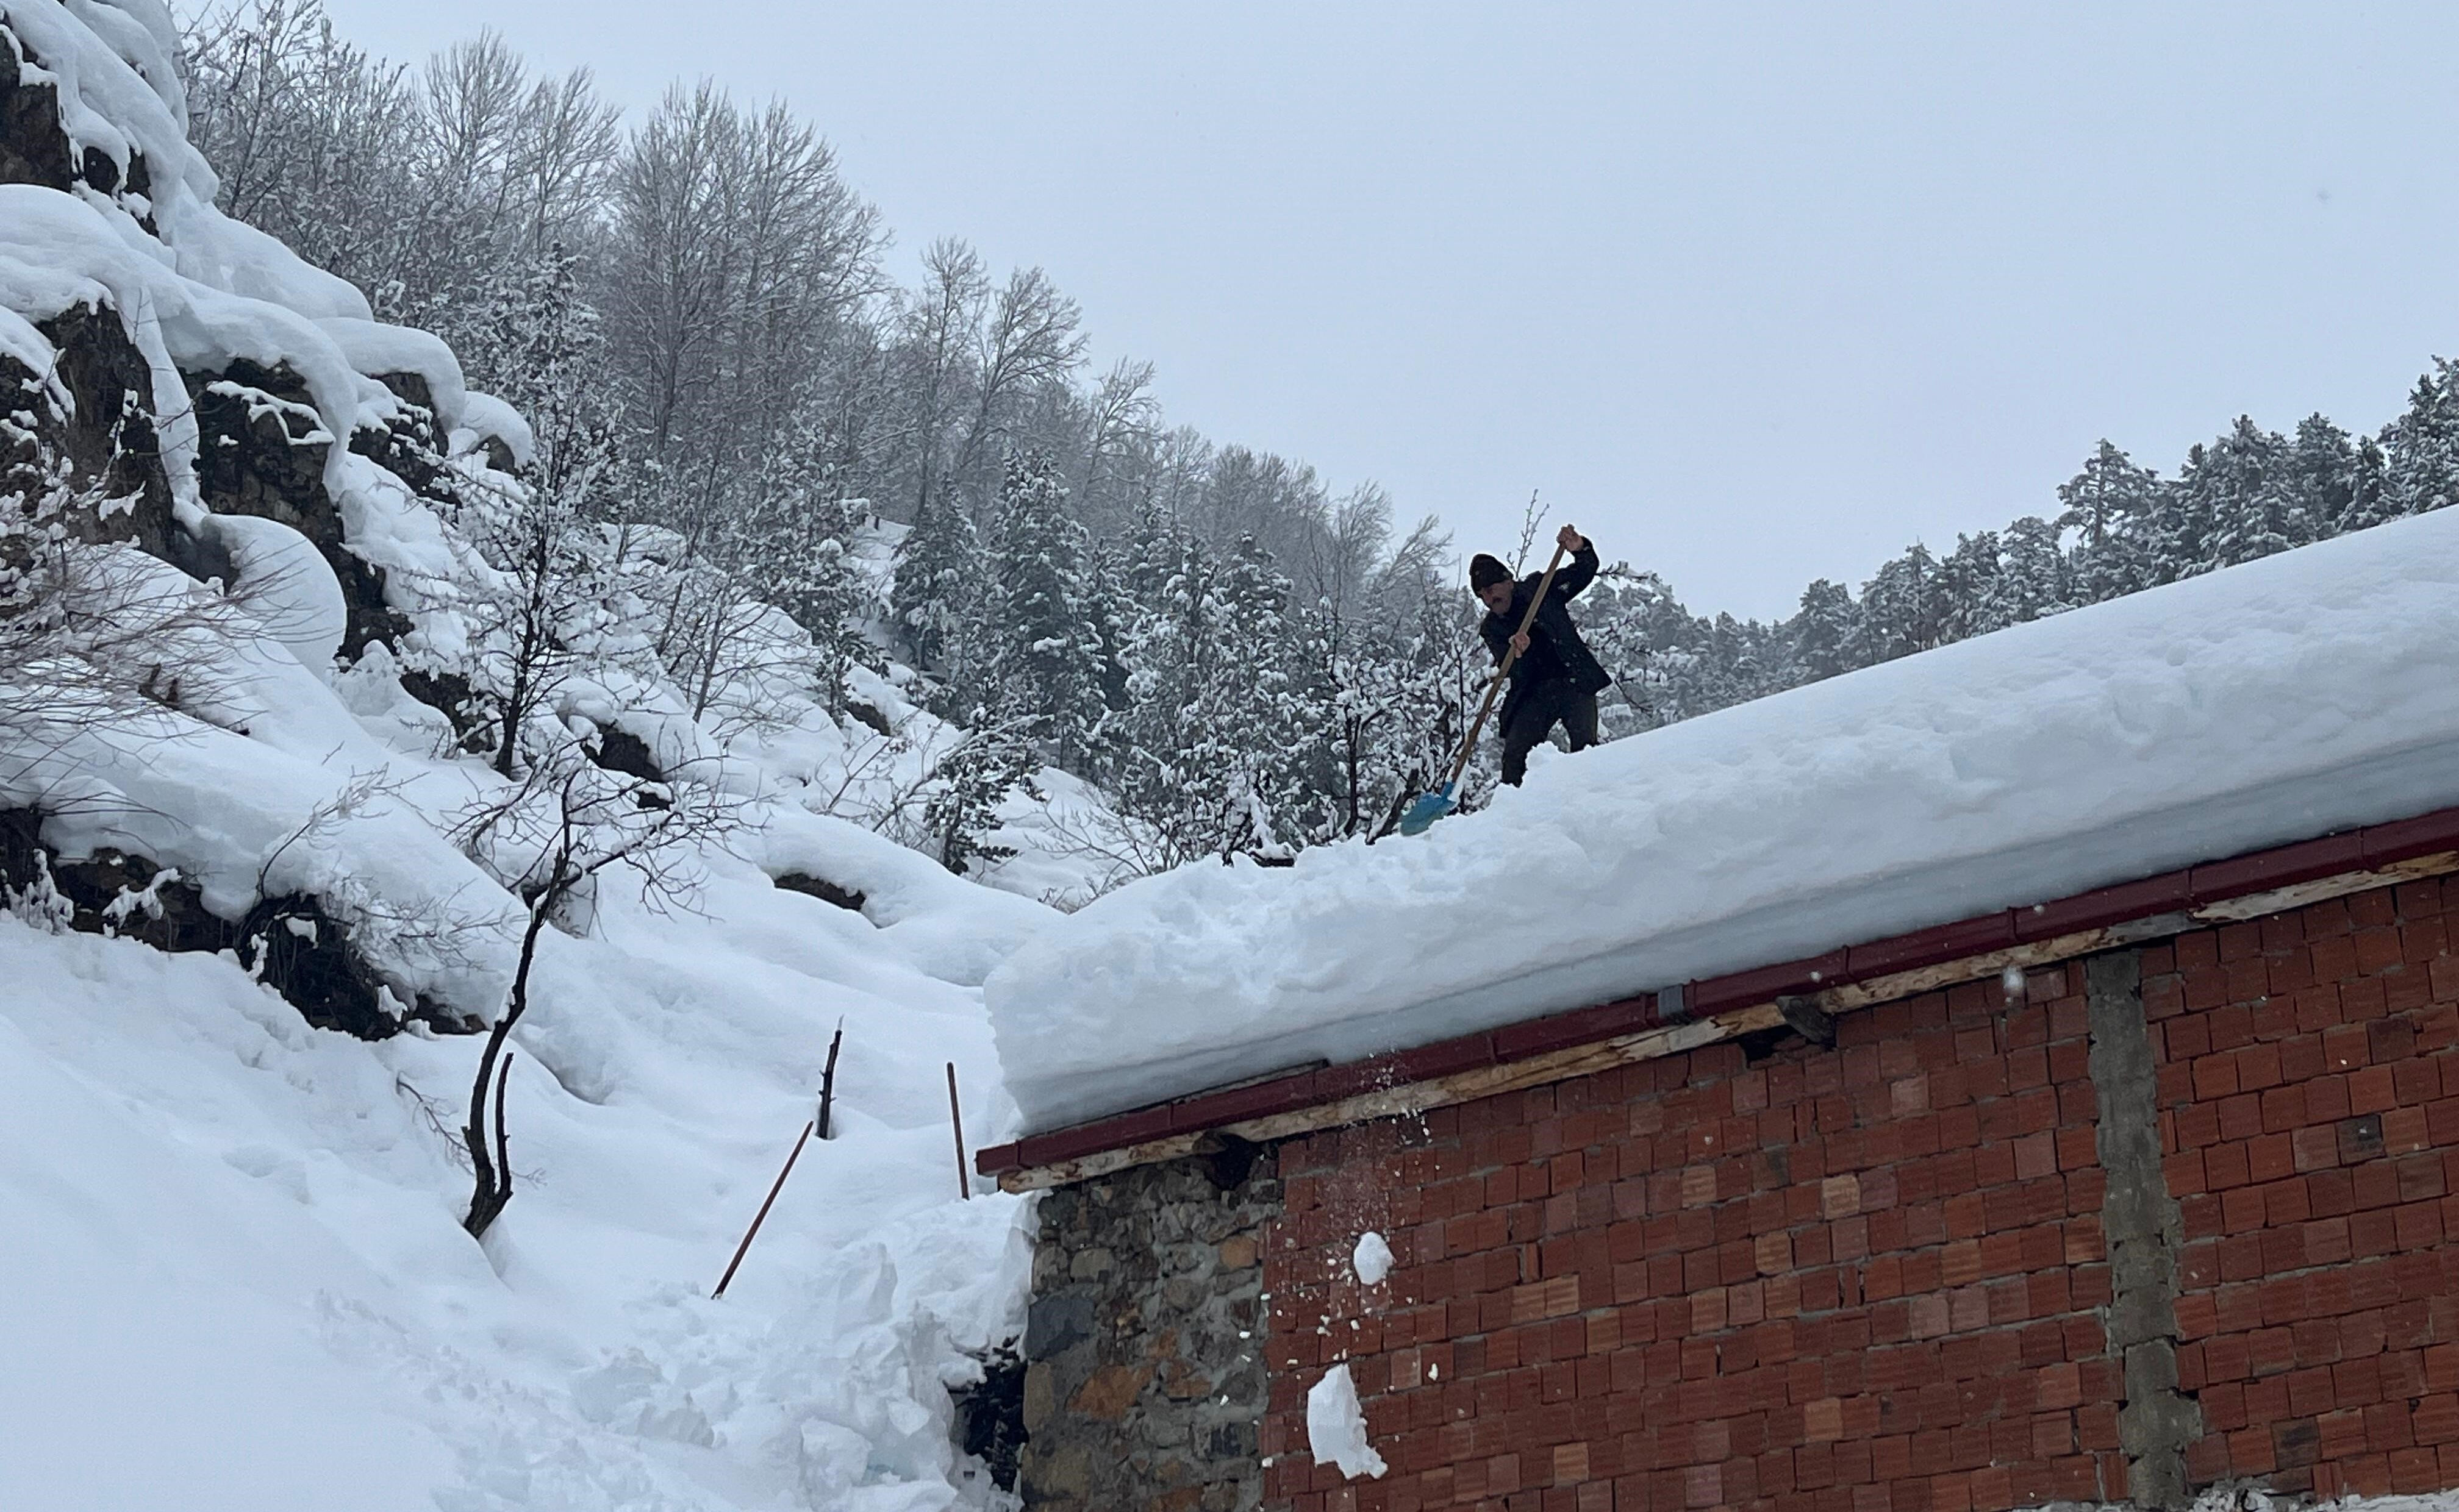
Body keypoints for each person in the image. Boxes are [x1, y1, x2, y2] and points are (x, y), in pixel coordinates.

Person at [1470, 524, 1609, 786]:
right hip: (1534, 692)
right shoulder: (1492, 628)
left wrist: (1579, 548)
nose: (1489, 599)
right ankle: (1513, 810)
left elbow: (1583, 572)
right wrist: (1517, 653)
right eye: (1483, 596)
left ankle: (1589, 796)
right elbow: (1510, 669)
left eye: (1492, 590)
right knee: (1515, 755)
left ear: (1508, 582)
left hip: (1574, 679)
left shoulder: (1541, 589)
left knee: (1586, 748)